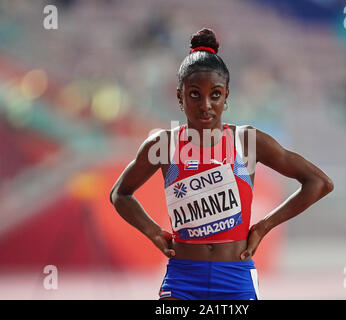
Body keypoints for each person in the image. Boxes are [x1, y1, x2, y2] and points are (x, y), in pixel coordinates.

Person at [110, 28, 334, 300]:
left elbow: (319, 183)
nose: (205, 105)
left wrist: (264, 226)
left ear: (226, 96)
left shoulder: (247, 142)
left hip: (235, 278)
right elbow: (120, 194)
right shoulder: (164, 145)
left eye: (215, 95)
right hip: (182, 279)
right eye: (194, 94)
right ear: (180, 97)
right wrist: (153, 232)